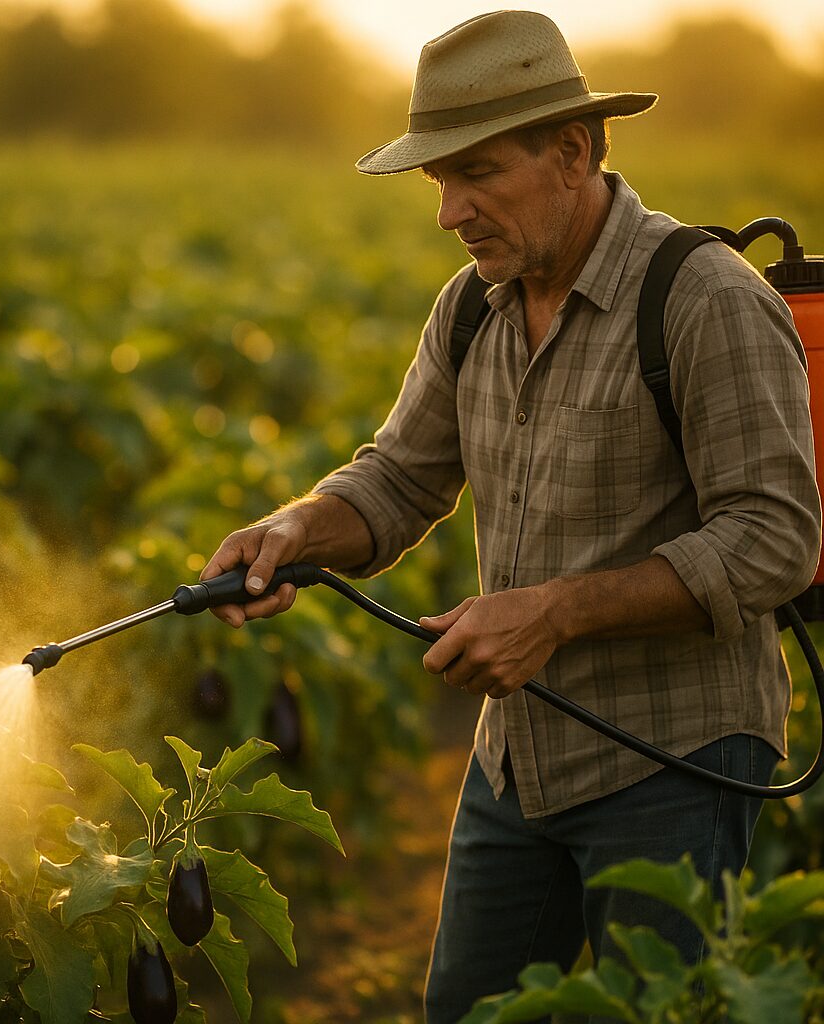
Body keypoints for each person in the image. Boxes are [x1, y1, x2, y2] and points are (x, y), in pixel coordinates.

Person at [201, 10, 821, 1023]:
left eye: (475, 172)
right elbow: (400, 480)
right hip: (515, 759)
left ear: (572, 152)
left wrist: (557, 611)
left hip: (677, 759)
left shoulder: (702, 300)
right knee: (465, 1009)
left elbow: (773, 541)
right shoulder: (470, 305)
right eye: (437, 180)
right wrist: (298, 530)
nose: (450, 210)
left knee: (659, 1010)